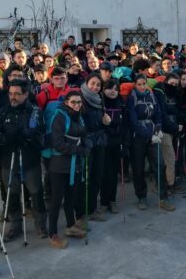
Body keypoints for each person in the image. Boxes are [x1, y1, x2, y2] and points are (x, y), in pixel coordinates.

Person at [0, 79, 47, 241]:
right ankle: (14, 224)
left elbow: (41, 134)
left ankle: (41, 224)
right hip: (10, 160)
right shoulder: (3, 112)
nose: (13, 97)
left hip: (30, 161)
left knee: (36, 192)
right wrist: (7, 138)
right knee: (12, 193)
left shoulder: (34, 112)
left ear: (26, 94)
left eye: (17, 94)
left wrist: (30, 136)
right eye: (11, 94)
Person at [127, 74, 175, 211]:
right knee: (139, 167)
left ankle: (163, 198)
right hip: (139, 137)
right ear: (135, 85)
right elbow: (133, 121)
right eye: (139, 84)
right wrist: (149, 135)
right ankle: (141, 197)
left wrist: (158, 128)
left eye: (144, 84)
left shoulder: (151, 96)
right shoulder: (132, 98)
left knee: (159, 165)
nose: (142, 87)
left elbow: (158, 113)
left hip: (153, 133)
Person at [48, 91, 88, 249]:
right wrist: (79, 150)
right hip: (59, 165)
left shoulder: (79, 116)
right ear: (66, 103)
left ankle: (70, 226)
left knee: (71, 197)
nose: (77, 105)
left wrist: (87, 144)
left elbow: (83, 135)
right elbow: (57, 143)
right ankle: (53, 234)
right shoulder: (59, 117)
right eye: (74, 102)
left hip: (74, 164)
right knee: (56, 200)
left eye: (79, 102)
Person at [80, 73, 111, 222]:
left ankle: (92, 207)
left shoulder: (100, 99)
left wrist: (105, 120)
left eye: (98, 85)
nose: (95, 87)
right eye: (92, 83)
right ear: (87, 83)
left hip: (100, 140)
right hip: (86, 141)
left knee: (97, 175)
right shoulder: (80, 98)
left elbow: (102, 117)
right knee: (86, 176)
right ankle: (83, 209)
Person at [153, 73, 186, 194]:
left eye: (176, 84)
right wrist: (175, 127)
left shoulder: (175, 94)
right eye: (171, 83)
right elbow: (162, 113)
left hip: (173, 128)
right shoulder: (159, 93)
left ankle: (169, 182)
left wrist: (182, 118)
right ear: (166, 81)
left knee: (171, 158)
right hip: (165, 129)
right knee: (170, 158)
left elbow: (176, 110)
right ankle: (168, 185)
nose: (173, 86)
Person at [100, 79, 128, 214]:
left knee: (114, 173)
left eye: (116, 89)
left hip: (117, 143)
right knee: (105, 173)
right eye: (110, 88)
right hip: (104, 143)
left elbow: (125, 126)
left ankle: (112, 200)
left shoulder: (121, 104)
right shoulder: (100, 104)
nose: (112, 91)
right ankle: (104, 201)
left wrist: (125, 144)